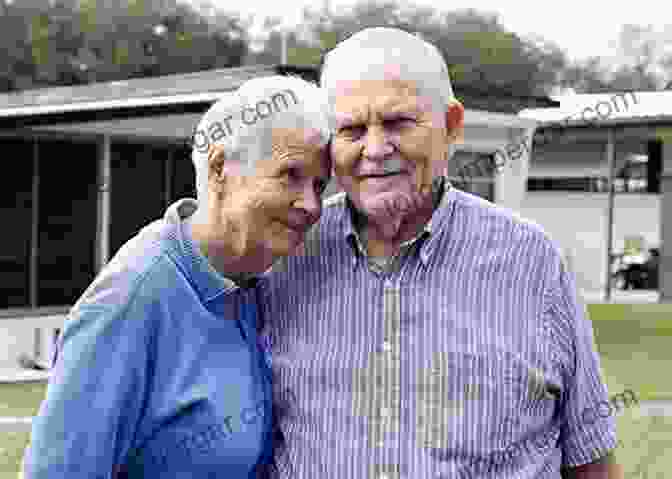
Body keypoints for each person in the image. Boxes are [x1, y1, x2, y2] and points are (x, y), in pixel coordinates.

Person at [259, 28, 623, 478]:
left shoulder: (532, 262)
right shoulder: (283, 259)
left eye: (397, 124)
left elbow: (590, 460)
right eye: (351, 129)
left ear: (451, 126)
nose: (375, 150)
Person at [21, 75, 331, 479]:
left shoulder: (252, 281)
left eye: (319, 185)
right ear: (221, 167)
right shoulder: (131, 298)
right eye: (290, 174)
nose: (310, 204)